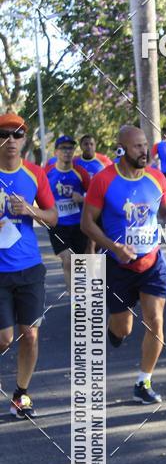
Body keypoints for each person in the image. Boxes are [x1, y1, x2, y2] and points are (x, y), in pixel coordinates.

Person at [81, 125, 166, 404]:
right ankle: (114, 330)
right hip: (118, 266)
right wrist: (114, 247)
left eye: (145, 145)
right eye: (137, 146)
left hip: (152, 263)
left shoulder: (157, 177)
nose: (144, 151)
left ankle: (143, 382)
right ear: (122, 149)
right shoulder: (104, 180)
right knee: (122, 328)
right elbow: (87, 223)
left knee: (155, 321)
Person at [0, 113, 57, 418]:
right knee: (5, 338)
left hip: (29, 268)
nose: (10, 140)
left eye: (17, 134)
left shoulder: (35, 174)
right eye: (4, 134)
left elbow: (53, 217)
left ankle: (21, 394)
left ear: (24, 140)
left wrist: (30, 210)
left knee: (30, 335)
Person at [45, 135, 90, 292]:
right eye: (63, 148)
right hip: (57, 224)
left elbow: (94, 197)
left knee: (81, 261)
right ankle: (74, 298)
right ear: (56, 152)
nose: (67, 151)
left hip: (78, 223)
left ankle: (85, 295)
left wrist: (82, 198)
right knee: (68, 259)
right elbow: (38, 195)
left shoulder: (81, 173)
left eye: (70, 148)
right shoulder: (47, 173)